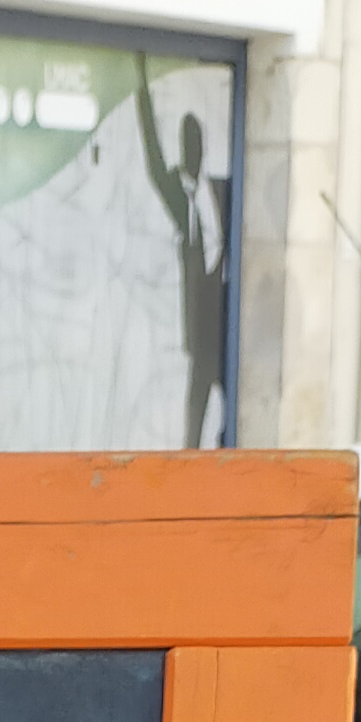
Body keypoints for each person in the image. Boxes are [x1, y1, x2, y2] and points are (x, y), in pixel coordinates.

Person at [135, 65, 230, 448]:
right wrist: (141, 87)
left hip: (225, 325)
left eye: (199, 142)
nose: (195, 150)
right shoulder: (176, 190)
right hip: (199, 330)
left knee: (224, 419)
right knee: (193, 423)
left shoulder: (222, 191)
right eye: (189, 143)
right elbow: (153, 156)